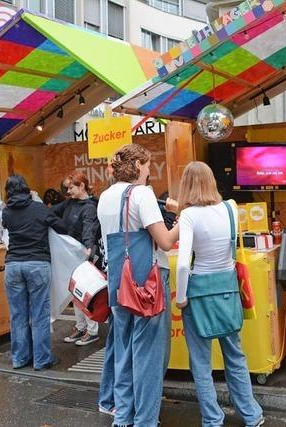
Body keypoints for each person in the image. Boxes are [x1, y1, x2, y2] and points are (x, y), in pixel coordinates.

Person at [175, 161, 264, 427]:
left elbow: (182, 263)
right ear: (211, 181)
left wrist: (181, 298)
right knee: (235, 355)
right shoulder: (231, 208)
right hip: (227, 289)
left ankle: (213, 420)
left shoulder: (189, 215)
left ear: (186, 185)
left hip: (198, 292)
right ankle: (251, 415)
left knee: (201, 364)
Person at [97, 143, 179, 426]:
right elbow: (166, 241)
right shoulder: (142, 194)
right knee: (148, 355)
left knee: (124, 351)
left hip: (118, 282)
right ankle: (145, 420)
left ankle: (124, 417)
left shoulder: (105, 197)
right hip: (146, 284)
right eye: (146, 165)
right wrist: (185, 218)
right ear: (136, 167)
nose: (148, 170)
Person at [1, 175, 68, 371]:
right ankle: (41, 360)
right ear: (27, 189)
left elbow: (7, 227)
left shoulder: (6, 212)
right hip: (37, 264)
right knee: (39, 314)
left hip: (13, 266)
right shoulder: (39, 209)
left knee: (18, 315)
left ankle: (20, 359)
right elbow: (61, 226)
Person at [52, 170, 102, 346]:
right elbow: (50, 213)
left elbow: (90, 228)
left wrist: (88, 247)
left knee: (84, 293)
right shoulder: (69, 204)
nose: (68, 191)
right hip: (72, 256)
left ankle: (92, 330)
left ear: (82, 186)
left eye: (71, 187)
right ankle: (81, 327)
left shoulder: (89, 207)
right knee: (75, 294)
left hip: (83, 256)